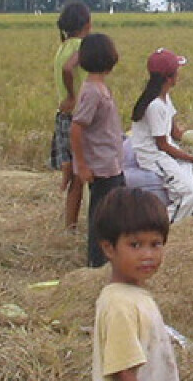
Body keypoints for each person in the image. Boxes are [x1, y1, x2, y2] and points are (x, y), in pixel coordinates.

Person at [130, 48, 193, 223]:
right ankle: (169, 235)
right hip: (156, 157)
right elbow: (163, 146)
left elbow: (176, 133)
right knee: (187, 195)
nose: (180, 75)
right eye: (178, 71)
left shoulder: (165, 98)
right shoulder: (155, 106)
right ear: (169, 77)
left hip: (170, 155)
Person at [91, 187, 179, 381]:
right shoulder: (120, 305)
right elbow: (124, 372)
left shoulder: (133, 295)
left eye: (155, 244)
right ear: (109, 248)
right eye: (135, 245)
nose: (147, 255)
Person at [70, 33, 125, 268]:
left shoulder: (98, 88)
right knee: (101, 218)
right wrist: (81, 165)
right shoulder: (92, 91)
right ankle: (96, 263)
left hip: (111, 163)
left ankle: (109, 258)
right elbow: (76, 128)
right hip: (101, 167)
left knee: (112, 214)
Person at [51, 1, 91, 231]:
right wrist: (72, 95)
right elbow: (69, 69)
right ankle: (75, 226)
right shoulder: (80, 46)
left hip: (64, 118)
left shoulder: (63, 46)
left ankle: (70, 227)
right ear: (87, 23)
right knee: (82, 175)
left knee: (75, 178)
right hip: (79, 118)